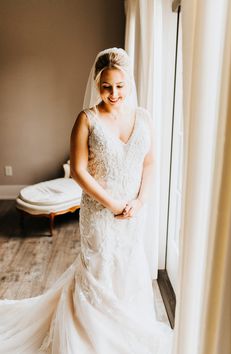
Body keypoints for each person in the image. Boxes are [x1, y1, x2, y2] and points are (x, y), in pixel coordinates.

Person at [0, 48, 172, 354]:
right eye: (106, 86)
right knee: (100, 273)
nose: (114, 93)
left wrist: (140, 202)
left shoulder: (143, 117)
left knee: (128, 270)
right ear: (97, 84)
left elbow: (149, 162)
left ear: (129, 83)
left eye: (120, 86)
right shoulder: (87, 119)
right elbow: (78, 172)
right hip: (100, 214)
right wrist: (112, 204)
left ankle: (124, 334)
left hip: (133, 213)